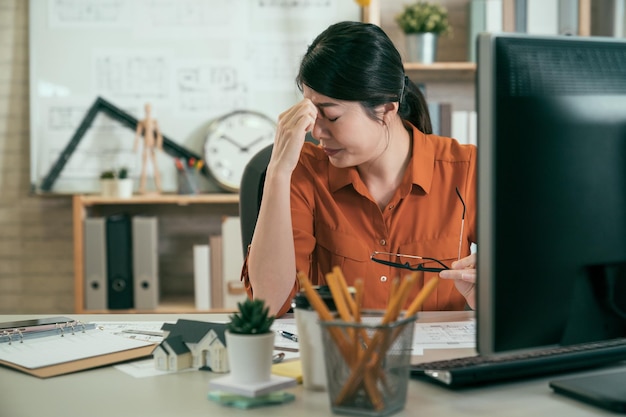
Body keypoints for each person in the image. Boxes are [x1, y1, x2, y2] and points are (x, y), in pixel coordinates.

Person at [242, 21, 477, 317]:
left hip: (440, 360)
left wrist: (490, 292)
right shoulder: (304, 172)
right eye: (311, 113)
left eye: (331, 116)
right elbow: (268, 306)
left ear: (386, 110)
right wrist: (278, 170)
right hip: (338, 356)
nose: (316, 131)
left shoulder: (467, 170)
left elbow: (523, 278)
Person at [133, 102, 163, 194]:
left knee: (155, 166)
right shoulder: (142, 122)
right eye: (146, 108)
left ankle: (159, 187)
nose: (148, 110)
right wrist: (136, 145)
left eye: (149, 108)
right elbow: (137, 135)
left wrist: (159, 145)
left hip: (152, 144)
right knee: (144, 167)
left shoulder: (154, 122)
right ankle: (142, 187)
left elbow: (159, 134)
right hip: (145, 145)